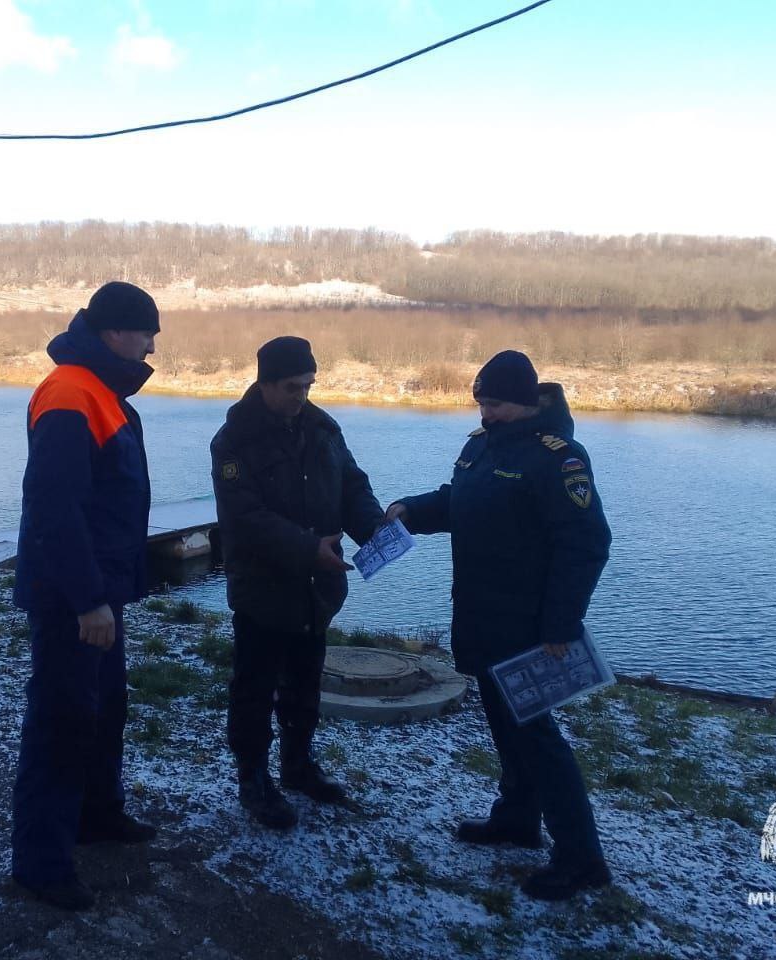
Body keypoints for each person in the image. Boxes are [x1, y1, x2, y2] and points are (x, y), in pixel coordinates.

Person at [386, 349, 612, 902]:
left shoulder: (559, 459)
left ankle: (582, 858)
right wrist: (412, 510)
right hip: (482, 618)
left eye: (499, 404)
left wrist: (561, 624)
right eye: (482, 401)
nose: (488, 413)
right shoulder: (480, 446)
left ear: (529, 402)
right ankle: (515, 818)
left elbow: (586, 543)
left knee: (539, 740)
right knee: (507, 730)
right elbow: (463, 501)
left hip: (530, 628)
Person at [11, 281, 161, 911]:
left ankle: (97, 816)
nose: (153, 344)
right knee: (63, 720)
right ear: (113, 333)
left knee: (103, 710)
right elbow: (56, 507)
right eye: (146, 332)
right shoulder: (70, 391)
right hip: (74, 597)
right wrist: (86, 600)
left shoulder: (101, 392)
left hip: (102, 591)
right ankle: (41, 863)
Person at [210, 336, 386, 829]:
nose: (301, 396)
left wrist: (374, 529)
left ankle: (298, 765)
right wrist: (310, 547)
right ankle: (254, 779)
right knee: (254, 688)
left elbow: (353, 484)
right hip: (263, 591)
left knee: (305, 684)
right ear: (264, 384)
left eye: (308, 385)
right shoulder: (233, 441)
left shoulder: (323, 428)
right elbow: (245, 518)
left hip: (316, 591)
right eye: (291, 387)